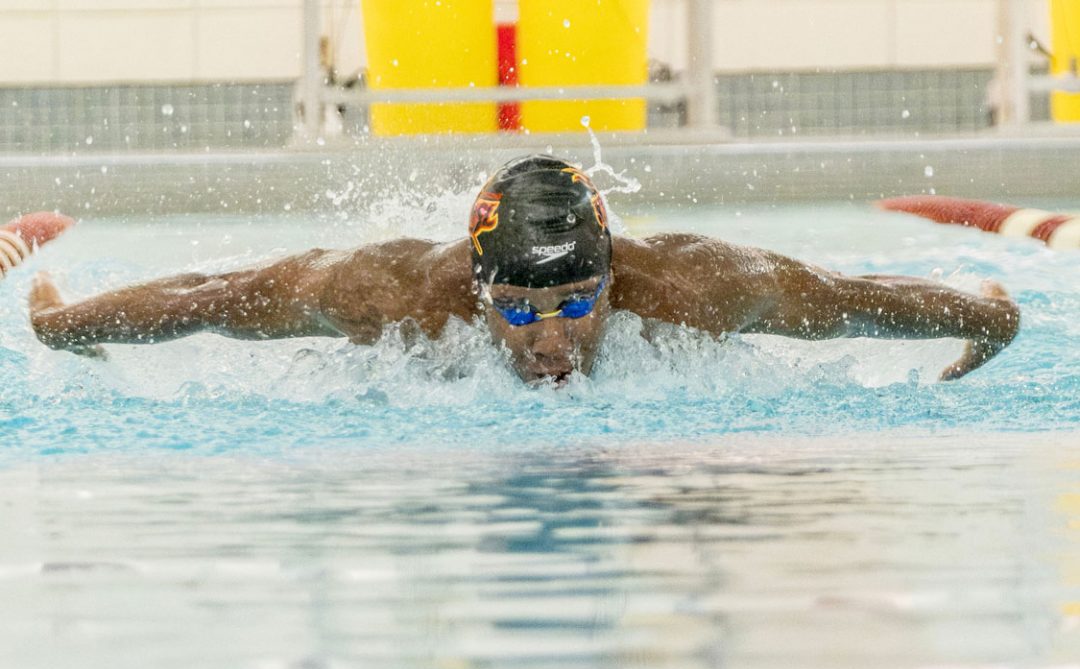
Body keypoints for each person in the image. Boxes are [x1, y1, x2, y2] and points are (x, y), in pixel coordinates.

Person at [29, 155, 1020, 384]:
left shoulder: (692, 286)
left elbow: (855, 302)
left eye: (578, 302)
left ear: (614, 276)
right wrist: (62, 323)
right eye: (519, 308)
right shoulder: (394, 294)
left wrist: (989, 319)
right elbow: (218, 301)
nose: (550, 341)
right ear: (474, 285)